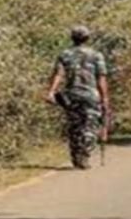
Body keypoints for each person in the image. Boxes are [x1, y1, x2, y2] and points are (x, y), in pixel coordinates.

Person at [45, 26, 111, 170]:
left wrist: (51, 92)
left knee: (74, 125)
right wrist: (105, 98)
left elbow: (58, 74)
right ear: (87, 38)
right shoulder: (96, 55)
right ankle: (84, 155)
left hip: (71, 96)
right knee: (90, 126)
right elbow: (101, 78)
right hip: (91, 96)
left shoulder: (65, 54)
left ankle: (76, 155)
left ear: (72, 38)